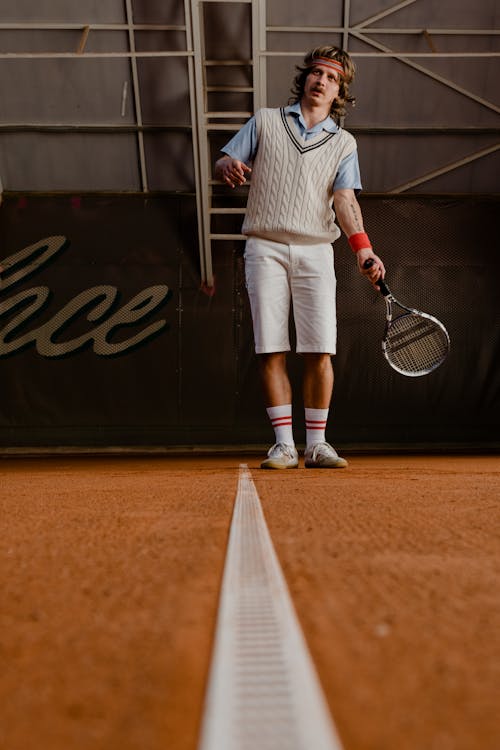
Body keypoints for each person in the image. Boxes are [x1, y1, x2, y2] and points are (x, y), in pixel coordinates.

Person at [214, 45, 385, 469]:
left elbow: (344, 200)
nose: (321, 80)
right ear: (305, 78)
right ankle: (284, 445)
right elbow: (225, 160)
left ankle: (318, 444)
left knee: (319, 350)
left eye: (331, 77)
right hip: (264, 247)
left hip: (315, 251)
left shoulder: (343, 142)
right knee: (270, 349)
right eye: (316, 73)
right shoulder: (265, 121)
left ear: (339, 91)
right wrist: (226, 167)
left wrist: (363, 249)